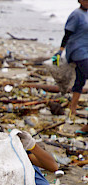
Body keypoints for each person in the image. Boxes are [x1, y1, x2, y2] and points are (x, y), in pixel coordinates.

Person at [52, 0, 88, 134]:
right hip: (78, 51)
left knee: (80, 80)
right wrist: (60, 51)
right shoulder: (76, 15)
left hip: (86, 50)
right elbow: (67, 34)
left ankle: (72, 110)